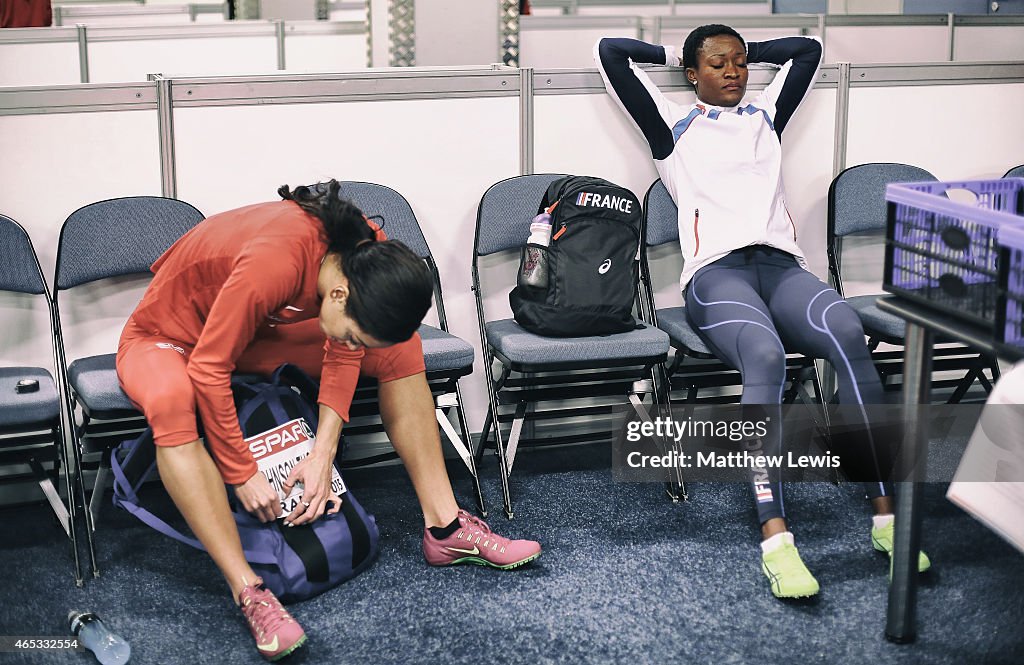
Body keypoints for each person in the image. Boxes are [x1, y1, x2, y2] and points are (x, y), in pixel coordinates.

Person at [116, 181, 542, 660]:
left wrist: (322, 455)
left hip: (254, 334)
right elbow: (209, 367)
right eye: (355, 335)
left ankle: (445, 530)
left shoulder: (368, 258)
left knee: (402, 346)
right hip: (169, 336)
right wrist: (241, 472)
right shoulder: (275, 263)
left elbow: (342, 349)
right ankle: (250, 591)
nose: (355, 345)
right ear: (338, 294)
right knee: (174, 401)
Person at [595, 27, 928, 599]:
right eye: (718, 63)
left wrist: (745, 52)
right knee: (766, 355)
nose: (733, 71)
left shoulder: (766, 115)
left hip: (782, 269)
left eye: (741, 62)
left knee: (847, 330)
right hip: (715, 277)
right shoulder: (672, 125)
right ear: (693, 73)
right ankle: (776, 537)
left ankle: (886, 517)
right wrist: (675, 54)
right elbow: (611, 53)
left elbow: (807, 50)